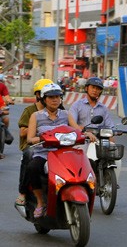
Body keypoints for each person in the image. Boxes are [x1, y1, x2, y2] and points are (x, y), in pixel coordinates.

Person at [26, 83, 78, 218]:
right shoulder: (36, 116)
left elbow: (78, 130)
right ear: (44, 99)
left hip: (65, 154)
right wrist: (40, 138)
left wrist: (87, 134)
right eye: (51, 97)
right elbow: (30, 139)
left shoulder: (66, 114)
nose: (55, 100)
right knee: (33, 167)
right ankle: (40, 202)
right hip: (44, 154)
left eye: (57, 97)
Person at [69, 77, 121, 181]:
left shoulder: (103, 108)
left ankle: (111, 181)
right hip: (82, 139)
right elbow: (72, 124)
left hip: (99, 140)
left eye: (98, 88)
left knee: (116, 157)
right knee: (83, 160)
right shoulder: (77, 105)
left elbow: (109, 126)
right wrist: (84, 132)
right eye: (93, 87)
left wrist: (112, 139)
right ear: (87, 88)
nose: (95, 90)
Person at [15, 79, 53, 206]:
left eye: (55, 96)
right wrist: (41, 128)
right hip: (34, 145)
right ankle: (23, 192)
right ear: (39, 95)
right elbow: (22, 133)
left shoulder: (59, 110)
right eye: (48, 95)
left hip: (53, 144)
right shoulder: (30, 111)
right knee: (29, 155)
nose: (53, 99)